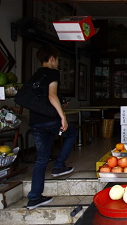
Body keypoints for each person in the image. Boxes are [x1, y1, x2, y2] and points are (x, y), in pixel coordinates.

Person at [26, 45, 78, 210]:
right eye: (57, 60)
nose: (57, 63)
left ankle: (34, 198)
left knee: (41, 159)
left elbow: (42, 98)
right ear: (52, 58)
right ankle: (59, 165)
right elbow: (51, 95)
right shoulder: (53, 72)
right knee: (71, 134)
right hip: (50, 120)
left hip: (35, 121)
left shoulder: (35, 76)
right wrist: (63, 116)